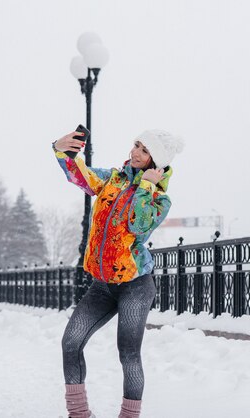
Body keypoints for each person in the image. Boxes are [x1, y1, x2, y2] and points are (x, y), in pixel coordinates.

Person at [53, 129, 184, 418]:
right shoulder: (113, 179)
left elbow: (139, 226)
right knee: (71, 342)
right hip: (102, 285)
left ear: (155, 162)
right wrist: (63, 152)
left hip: (136, 285)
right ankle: (79, 414)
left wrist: (146, 188)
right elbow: (82, 177)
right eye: (136, 144)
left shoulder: (160, 199)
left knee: (128, 353)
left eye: (145, 150)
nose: (136, 152)